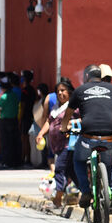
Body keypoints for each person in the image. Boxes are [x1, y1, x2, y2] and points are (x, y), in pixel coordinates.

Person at [67, 63, 112, 210]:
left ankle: (86, 191)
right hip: (110, 136)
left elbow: (68, 113)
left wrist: (63, 127)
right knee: (109, 166)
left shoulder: (80, 90)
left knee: (78, 160)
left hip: (88, 136)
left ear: (87, 76)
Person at [37, 78, 75, 207]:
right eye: (58, 91)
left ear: (69, 92)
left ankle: (58, 199)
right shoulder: (56, 107)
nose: (60, 93)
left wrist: (71, 123)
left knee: (59, 169)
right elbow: (49, 121)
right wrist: (41, 133)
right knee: (70, 172)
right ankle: (81, 195)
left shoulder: (73, 106)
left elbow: (83, 119)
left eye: (63, 90)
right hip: (57, 146)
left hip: (69, 144)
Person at [0, 75, 21, 168]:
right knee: (14, 141)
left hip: (4, 121)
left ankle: (6, 162)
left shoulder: (4, 97)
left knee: (5, 142)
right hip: (14, 120)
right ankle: (15, 162)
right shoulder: (14, 95)